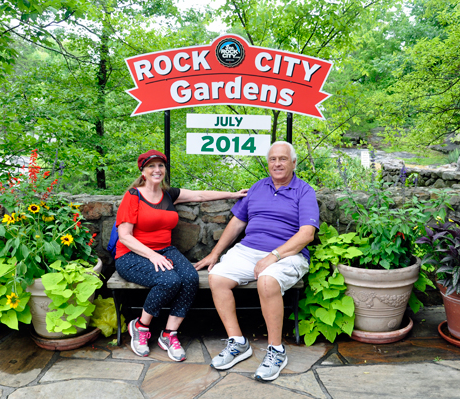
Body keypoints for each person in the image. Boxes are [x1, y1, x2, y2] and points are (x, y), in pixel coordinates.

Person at [195, 141, 319, 381]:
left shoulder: (304, 191)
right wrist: (215, 253)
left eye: (283, 159)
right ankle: (238, 342)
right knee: (217, 277)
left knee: (267, 280)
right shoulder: (257, 188)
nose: (277, 163)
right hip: (248, 250)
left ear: (294, 163)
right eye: (273, 159)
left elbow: (307, 234)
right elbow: (237, 223)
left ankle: (276, 350)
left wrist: (274, 256)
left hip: (288, 253)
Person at [115, 149, 247, 362]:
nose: (157, 170)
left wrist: (234, 195)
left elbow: (200, 195)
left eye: (160, 166)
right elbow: (125, 236)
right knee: (169, 280)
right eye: (151, 166)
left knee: (190, 278)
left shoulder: (169, 195)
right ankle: (140, 326)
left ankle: (169, 334)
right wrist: (152, 256)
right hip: (131, 255)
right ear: (143, 171)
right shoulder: (133, 196)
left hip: (165, 250)